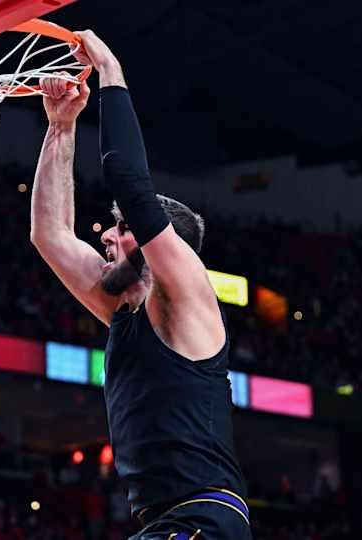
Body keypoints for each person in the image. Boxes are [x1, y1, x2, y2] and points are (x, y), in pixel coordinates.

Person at [30, 30, 251, 540]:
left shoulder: (186, 294)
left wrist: (110, 70)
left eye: (123, 226)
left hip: (204, 515)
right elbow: (51, 235)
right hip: (166, 522)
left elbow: (127, 178)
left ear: (164, 247)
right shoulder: (122, 308)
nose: (107, 233)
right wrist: (61, 128)